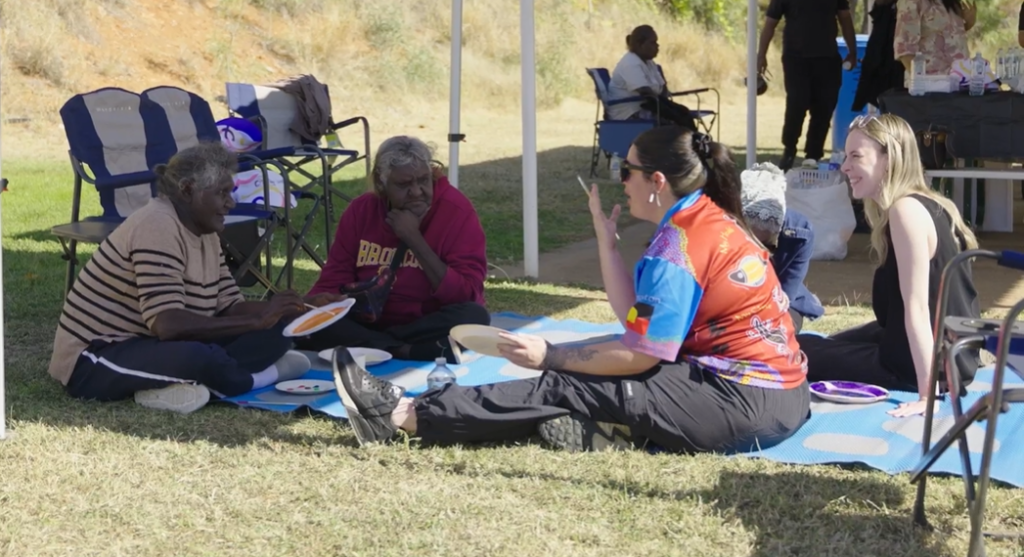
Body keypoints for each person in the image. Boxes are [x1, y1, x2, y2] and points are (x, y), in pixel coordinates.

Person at [331, 126, 811, 453]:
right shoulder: (707, 219)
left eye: (628, 171)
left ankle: (405, 416)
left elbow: (640, 356)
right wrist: (607, 245)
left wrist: (550, 356)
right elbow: (637, 332)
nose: (621, 182)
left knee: (569, 380)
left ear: (657, 181)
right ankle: (603, 431)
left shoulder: (679, 245)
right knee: (586, 372)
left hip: (744, 403)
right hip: (777, 397)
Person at [48, 143, 324, 414]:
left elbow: (229, 306)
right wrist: (256, 320)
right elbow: (168, 325)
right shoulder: (156, 224)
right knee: (201, 357)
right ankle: (258, 378)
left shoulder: (206, 232)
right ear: (188, 189)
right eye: (222, 193)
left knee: (279, 330)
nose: (230, 203)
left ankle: (181, 385)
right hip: (98, 356)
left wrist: (300, 307)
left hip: (155, 345)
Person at [796, 114, 982, 418]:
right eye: (846, 156)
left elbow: (918, 309)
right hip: (954, 355)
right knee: (819, 343)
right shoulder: (930, 203)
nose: (845, 167)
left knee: (797, 353)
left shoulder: (904, 211)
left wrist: (927, 397)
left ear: (889, 159)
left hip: (922, 366)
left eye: (856, 156)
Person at [296, 136, 489, 364]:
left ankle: (378, 346)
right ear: (381, 183)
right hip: (368, 318)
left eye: (423, 180)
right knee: (317, 322)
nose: (417, 192)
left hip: (426, 320)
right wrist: (319, 304)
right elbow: (335, 276)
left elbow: (466, 294)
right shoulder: (360, 211)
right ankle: (403, 350)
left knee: (474, 317)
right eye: (404, 185)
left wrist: (414, 239)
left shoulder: (456, 211)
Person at [758, 0, 859, 171]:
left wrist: (852, 51)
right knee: (797, 102)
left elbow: (845, 19)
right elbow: (770, 23)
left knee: (824, 106)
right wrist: (761, 55)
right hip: (796, 58)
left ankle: (813, 154)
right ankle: (789, 149)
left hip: (827, 57)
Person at [740, 163, 824, 332]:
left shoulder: (800, 234)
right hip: (734, 299)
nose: (760, 246)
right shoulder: (721, 227)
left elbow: (786, 292)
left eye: (767, 239)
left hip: (778, 300)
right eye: (752, 236)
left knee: (780, 332)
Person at [605, 25, 697, 131]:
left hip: (647, 105)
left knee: (683, 113)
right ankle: (687, 145)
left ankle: (695, 144)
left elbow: (662, 88)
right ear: (640, 45)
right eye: (653, 43)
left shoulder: (649, 62)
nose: (657, 46)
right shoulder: (630, 63)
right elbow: (645, 93)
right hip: (629, 113)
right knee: (675, 123)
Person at [893, 0, 975, 76]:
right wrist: (919, 80)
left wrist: (968, 24)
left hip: (961, 79)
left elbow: (948, 35)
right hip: (931, 82)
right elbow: (904, 46)